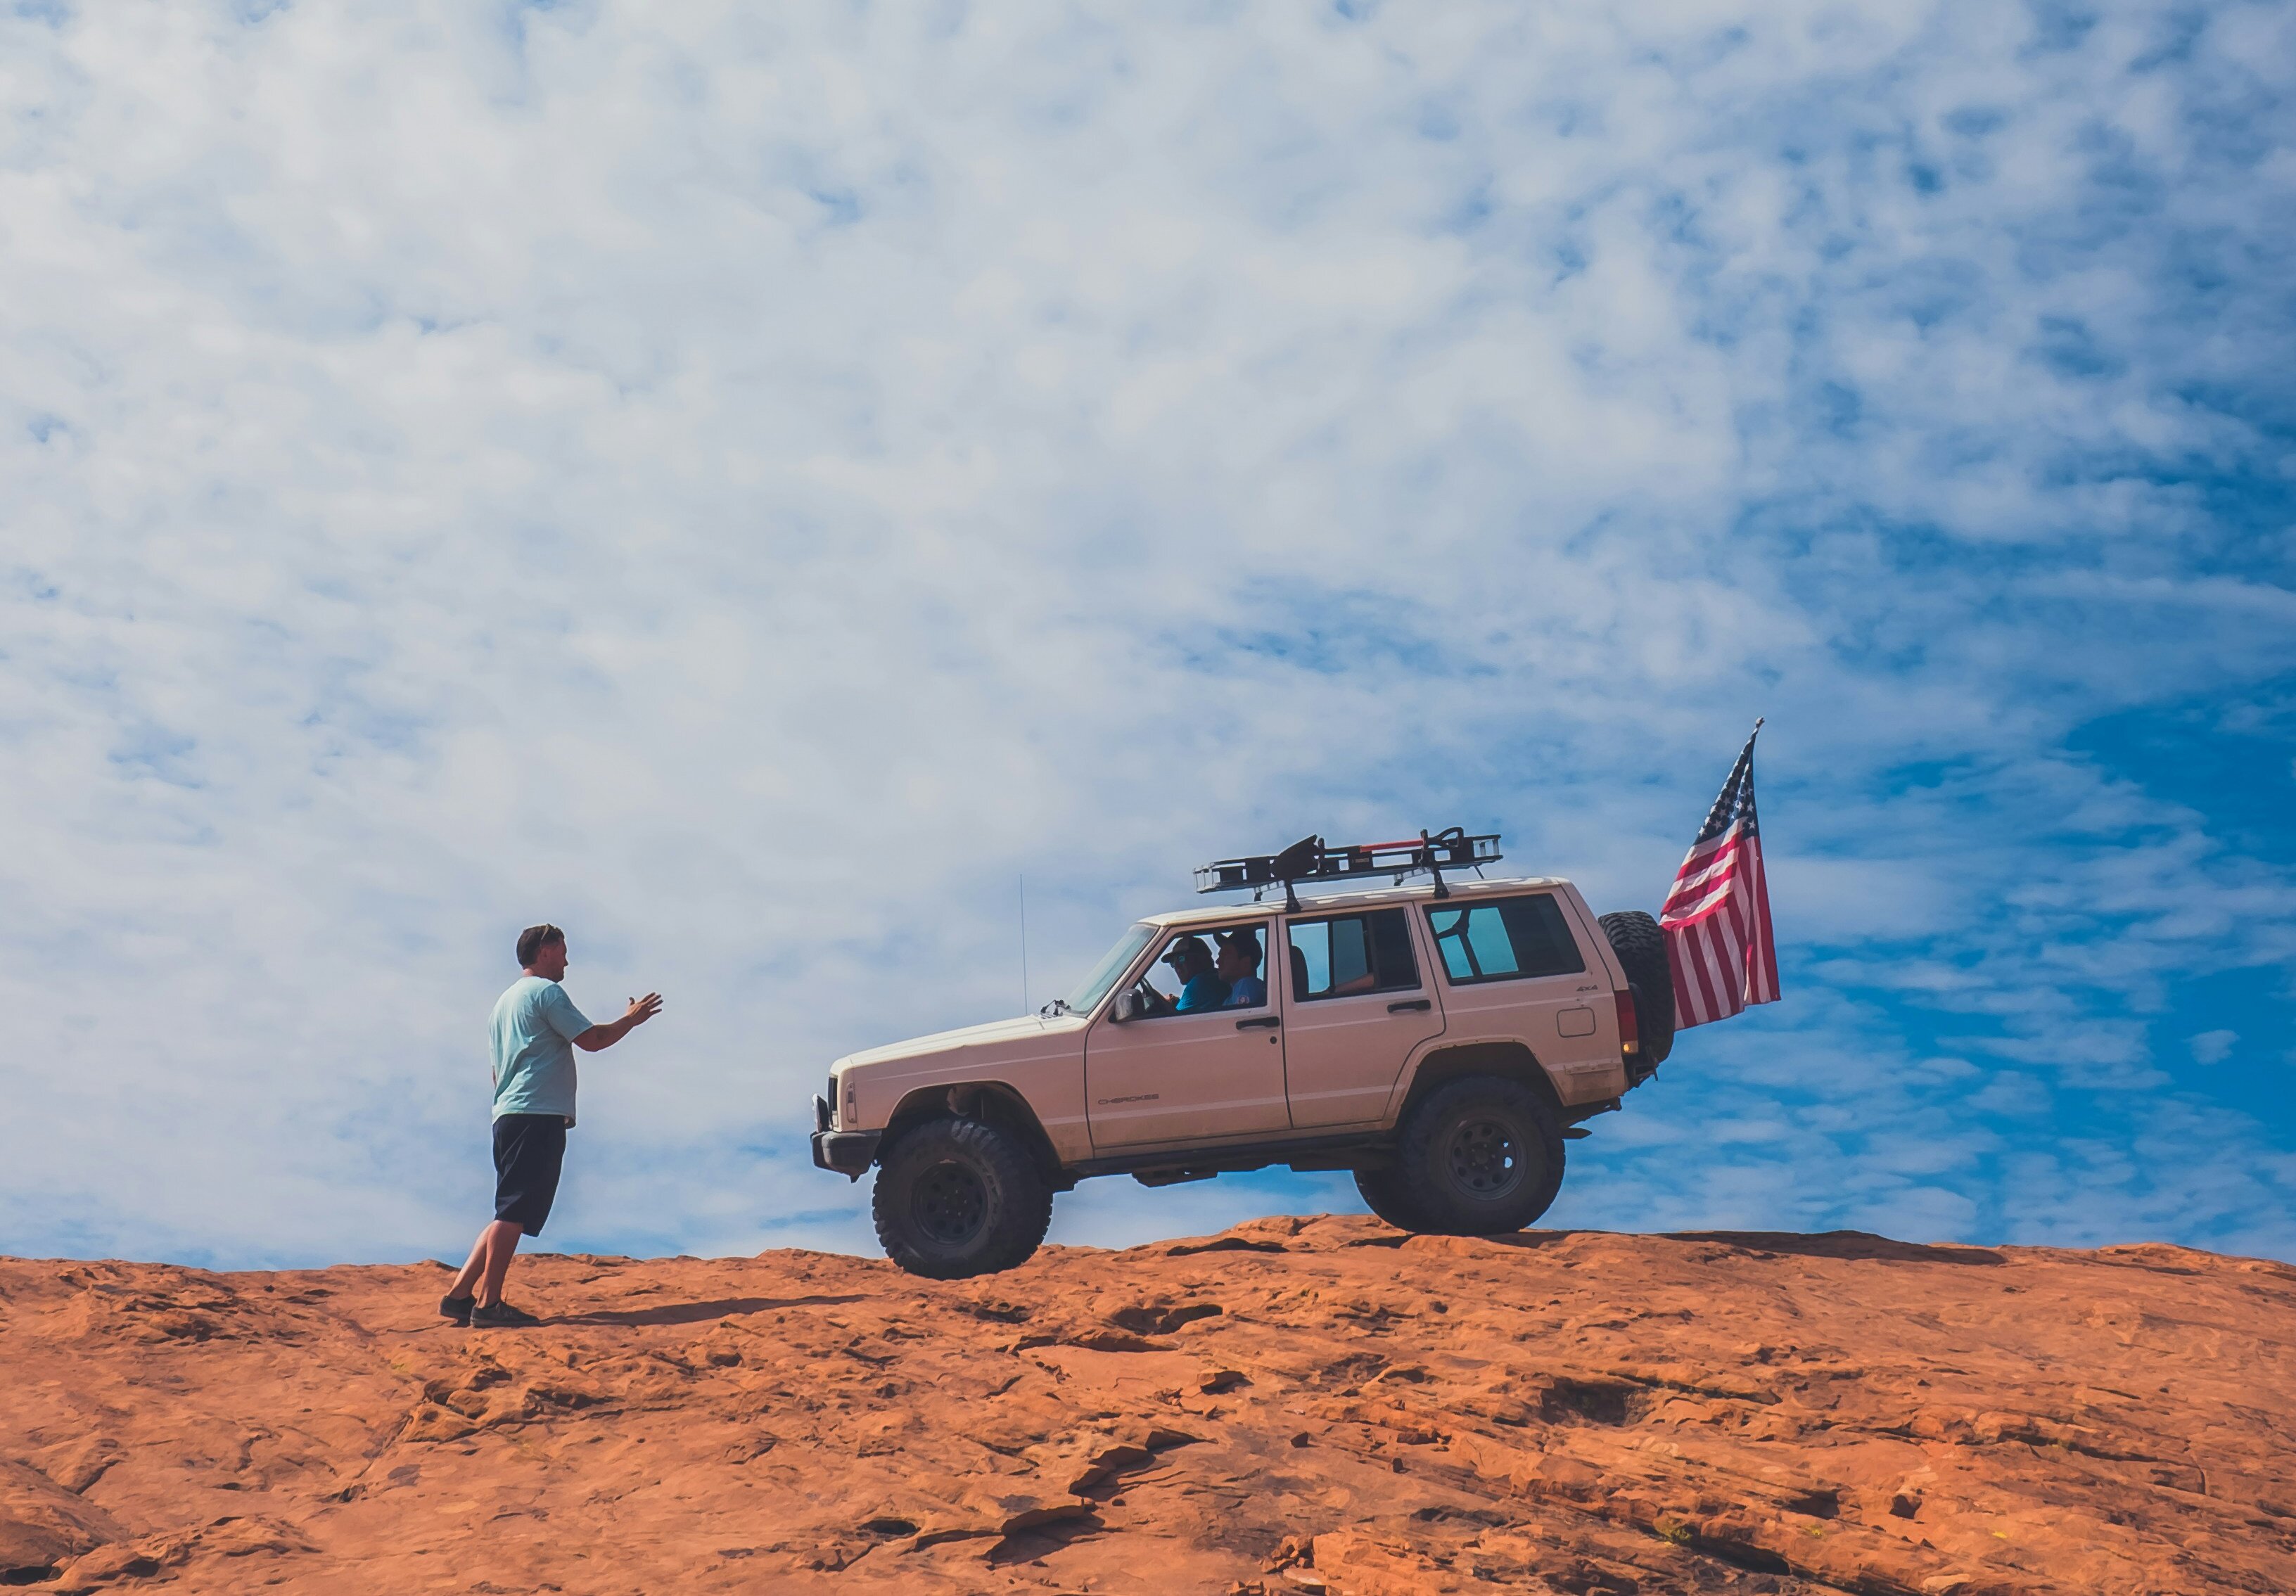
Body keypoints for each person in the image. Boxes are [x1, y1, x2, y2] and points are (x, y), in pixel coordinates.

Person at [440, 924, 663, 1329]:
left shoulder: (502, 1004)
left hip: (507, 1114)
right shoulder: (546, 993)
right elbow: (593, 1039)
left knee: (508, 1208)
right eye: (562, 950)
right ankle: (488, 1306)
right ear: (544, 951)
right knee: (514, 1213)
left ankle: (459, 1295)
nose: (566, 960)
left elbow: (496, 1072)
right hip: (535, 1114)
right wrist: (631, 1020)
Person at [1141, 934, 1230, 1015]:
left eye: (1181, 958)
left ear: (1201, 959)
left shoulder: (1201, 982)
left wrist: (1160, 999)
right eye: (1173, 962)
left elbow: (1175, 1018)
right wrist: (1173, 1002)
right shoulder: (1214, 978)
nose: (1177, 966)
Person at [1217, 932, 1267, 1007]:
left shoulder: (1247, 985)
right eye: (1220, 955)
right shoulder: (1237, 991)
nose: (1218, 961)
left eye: (1225, 955)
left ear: (1245, 963)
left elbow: (1242, 1018)